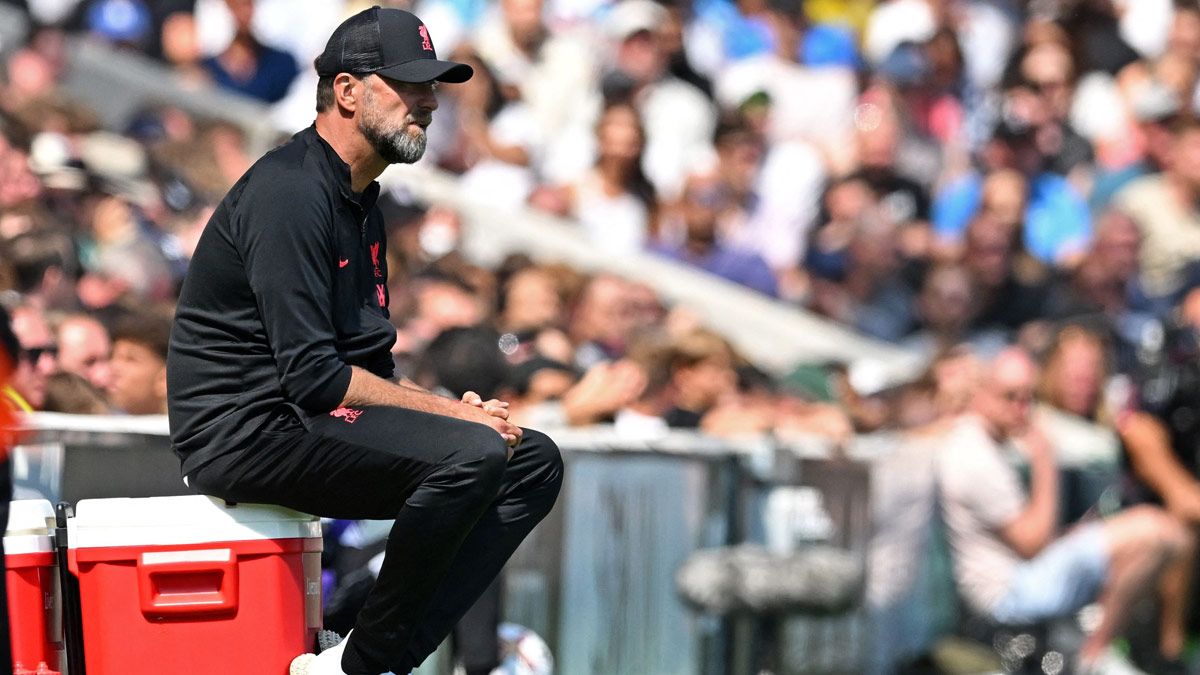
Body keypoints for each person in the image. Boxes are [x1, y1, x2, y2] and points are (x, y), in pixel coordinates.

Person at [165, 8, 563, 675]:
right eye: (409, 85)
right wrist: (455, 419)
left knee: (531, 461)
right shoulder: (291, 191)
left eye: (433, 87)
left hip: (295, 418)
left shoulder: (359, 199)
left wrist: (455, 410)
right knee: (471, 453)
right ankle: (362, 666)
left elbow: (366, 369)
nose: (430, 103)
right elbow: (318, 378)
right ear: (347, 91)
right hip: (242, 431)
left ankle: (359, 645)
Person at [937, 348, 1193, 671]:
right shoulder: (973, 455)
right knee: (1157, 533)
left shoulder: (988, 442)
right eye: (1009, 397)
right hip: (1008, 595)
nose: (1021, 408)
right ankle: (1093, 654)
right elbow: (1033, 543)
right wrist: (1044, 461)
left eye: (1028, 398)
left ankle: (1110, 647)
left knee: (1173, 536)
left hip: (1025, 574)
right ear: (981, 396)